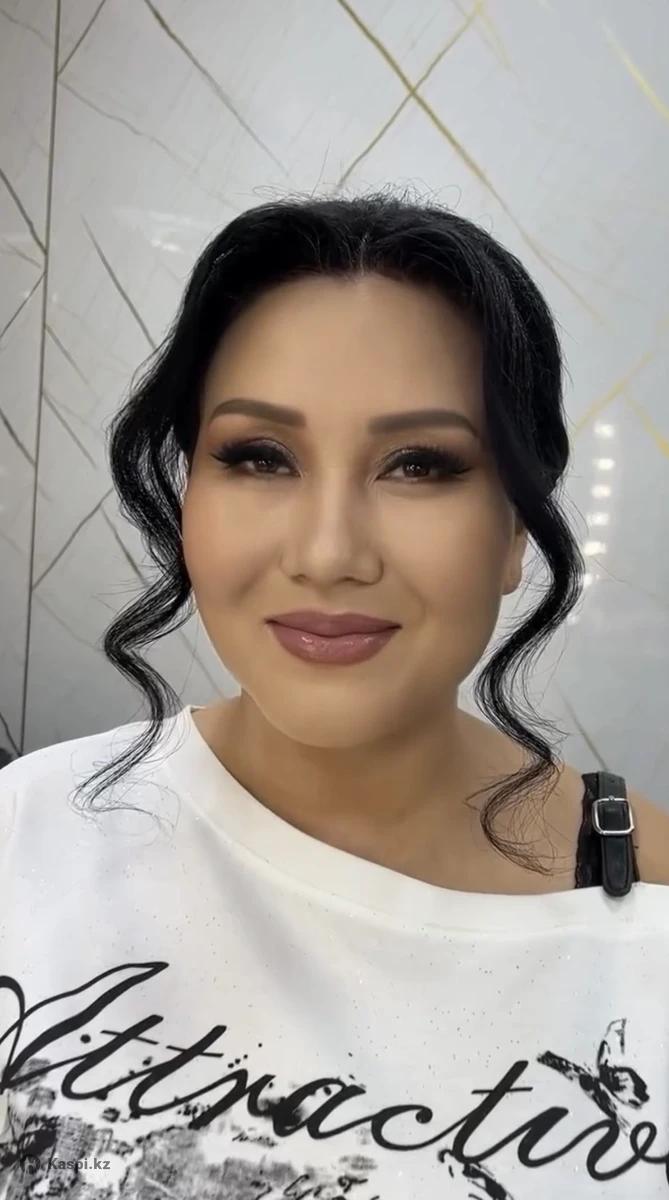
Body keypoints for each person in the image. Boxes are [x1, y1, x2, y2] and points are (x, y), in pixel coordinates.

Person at [1, 192, 668, 1199]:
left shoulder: (647, 897)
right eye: (258, 457)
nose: (326, 553)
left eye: (419, 465)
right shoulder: (23, 840)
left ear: (515, 530)